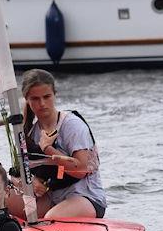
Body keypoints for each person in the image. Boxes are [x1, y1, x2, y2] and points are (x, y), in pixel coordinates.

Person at [7, 69, 107, 219]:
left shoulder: (72, 125)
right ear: (27, 99)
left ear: (55, 94)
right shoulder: (30, 132)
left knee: (51, 218)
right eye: (35, 99)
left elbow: (81, 169)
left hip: (85, 198)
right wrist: (31, 182)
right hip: (51, 199)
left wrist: (48, 149)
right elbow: (18, 171)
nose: (42, 104)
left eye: (47, 97)